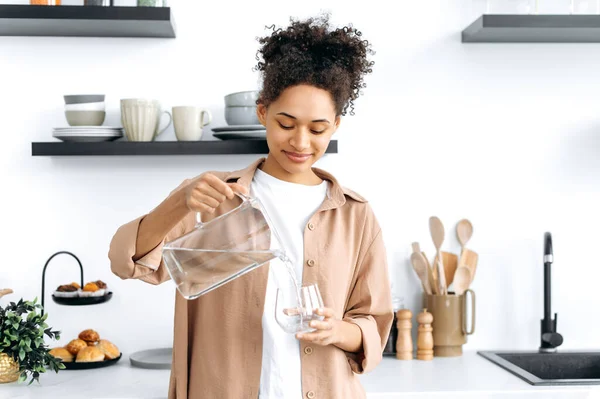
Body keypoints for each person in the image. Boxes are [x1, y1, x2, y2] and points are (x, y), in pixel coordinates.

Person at [109, 14, 393, 399]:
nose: (301, 142)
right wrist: (177, 203)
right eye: (286, 123)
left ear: (336, 126)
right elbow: (126, 262)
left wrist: (339, 331)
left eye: (318, 129)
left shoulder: (355, 215)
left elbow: (372, 322)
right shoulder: (210, 197)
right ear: (262, 113)